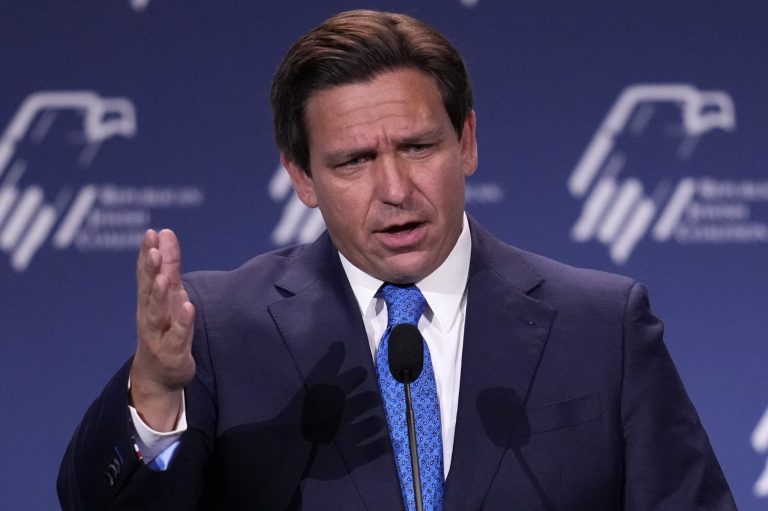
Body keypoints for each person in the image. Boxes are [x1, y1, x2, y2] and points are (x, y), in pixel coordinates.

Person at [58, 9, 737, 510]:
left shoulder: (602, 324)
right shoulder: (219, 328)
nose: (394, 189)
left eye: (417, 147)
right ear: (301, 176)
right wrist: (152, 392)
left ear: (465, 142)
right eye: (354, 160)